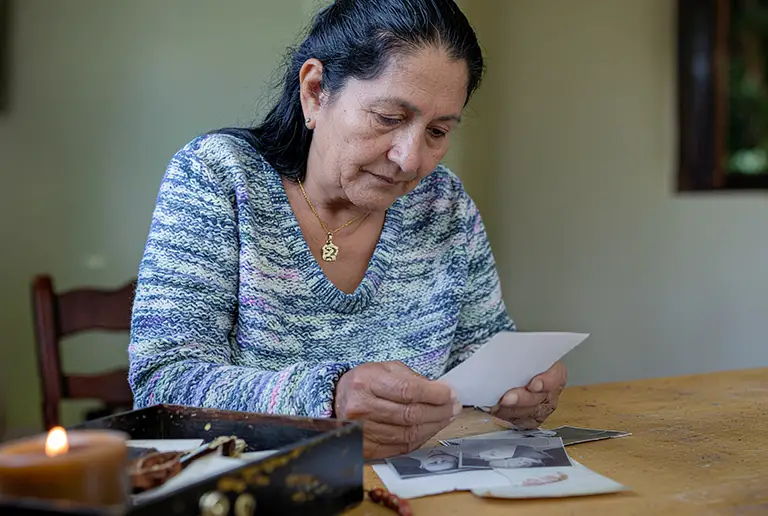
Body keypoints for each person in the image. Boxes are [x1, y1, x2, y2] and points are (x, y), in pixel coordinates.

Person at [128, 0, 567, 459]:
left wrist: (519, 389)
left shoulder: (444, 204)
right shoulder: (219, 176)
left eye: (437, 131)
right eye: (389, 119)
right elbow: (162, 385)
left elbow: (481, 356)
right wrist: (329, 399)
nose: (411, 159)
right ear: (316, 91)